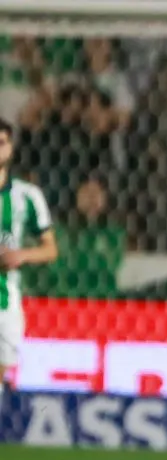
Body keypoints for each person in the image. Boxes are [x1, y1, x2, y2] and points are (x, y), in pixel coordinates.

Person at [0, 117, 58, 411]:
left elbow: (50, 249)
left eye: (2, 143)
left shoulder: (27, 196)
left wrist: (20, 255)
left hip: (6, 300)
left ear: (11, 149)